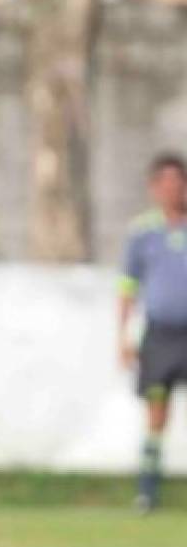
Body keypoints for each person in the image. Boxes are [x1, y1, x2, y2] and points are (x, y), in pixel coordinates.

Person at [118, 153, 187, 513]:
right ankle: (148, 490)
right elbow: (128, 287)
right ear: (154, 188)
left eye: (179, 183)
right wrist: (124, 337)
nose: (172, 190)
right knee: (156, 408)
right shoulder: (143, 232)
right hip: (160, 333)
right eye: (165, 184)